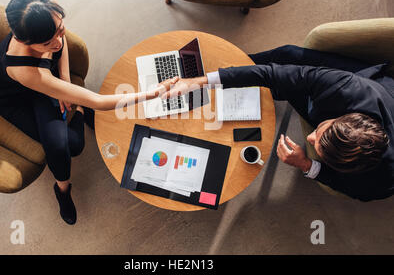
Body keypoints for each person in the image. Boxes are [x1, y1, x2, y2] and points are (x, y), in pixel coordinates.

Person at [0, 0, 177, 225]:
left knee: (71, 143)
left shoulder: (48, 5)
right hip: (15, 97)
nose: (57, 43)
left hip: (49, 80)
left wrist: (65, 81)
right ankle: (62, 190)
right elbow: (98, 101)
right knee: (67, 145)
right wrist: (153, 93)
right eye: (47, 42)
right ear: (23, 40)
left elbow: (60, 42)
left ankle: (78, 110)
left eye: (60, 30)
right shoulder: (23, 71)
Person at [162, 45, 393, 202]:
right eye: (319, 133)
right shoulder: (345, 86)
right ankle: (228, 68)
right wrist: (201, 82)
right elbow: (273, 74)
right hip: (372, 84)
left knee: (284, 89)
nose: (310, 138)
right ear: (342, 117)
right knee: (287, 55)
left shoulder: (381, 181)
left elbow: (353, 190)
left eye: (319, 149)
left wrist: (306, 165)